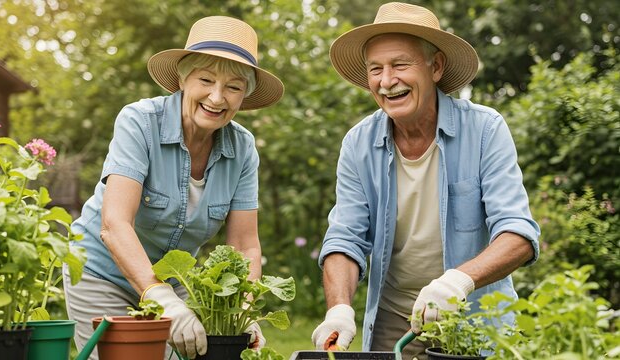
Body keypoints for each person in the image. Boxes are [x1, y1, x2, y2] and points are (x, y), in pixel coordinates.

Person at [311, 3, 540, 359]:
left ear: (435, 67)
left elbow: (518, 233)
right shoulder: (358, 143)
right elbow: (345, 238)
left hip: (474, 313)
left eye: (400, 65)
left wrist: (457, 282)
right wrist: (339, 308)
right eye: (376, 69)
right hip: (395, 320)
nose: (387, 81)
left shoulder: (484, 130)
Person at [63, 16, 284, 360]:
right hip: (102, 274)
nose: (217, 97)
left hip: (174, 283)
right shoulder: (139, 122)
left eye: (234, 87)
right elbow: (114, 224)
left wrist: (243, 310)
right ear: (183, 79)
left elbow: (244, 244)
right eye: (206, 80)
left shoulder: (242, 147)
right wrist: (158, 295)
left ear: (246, 95)